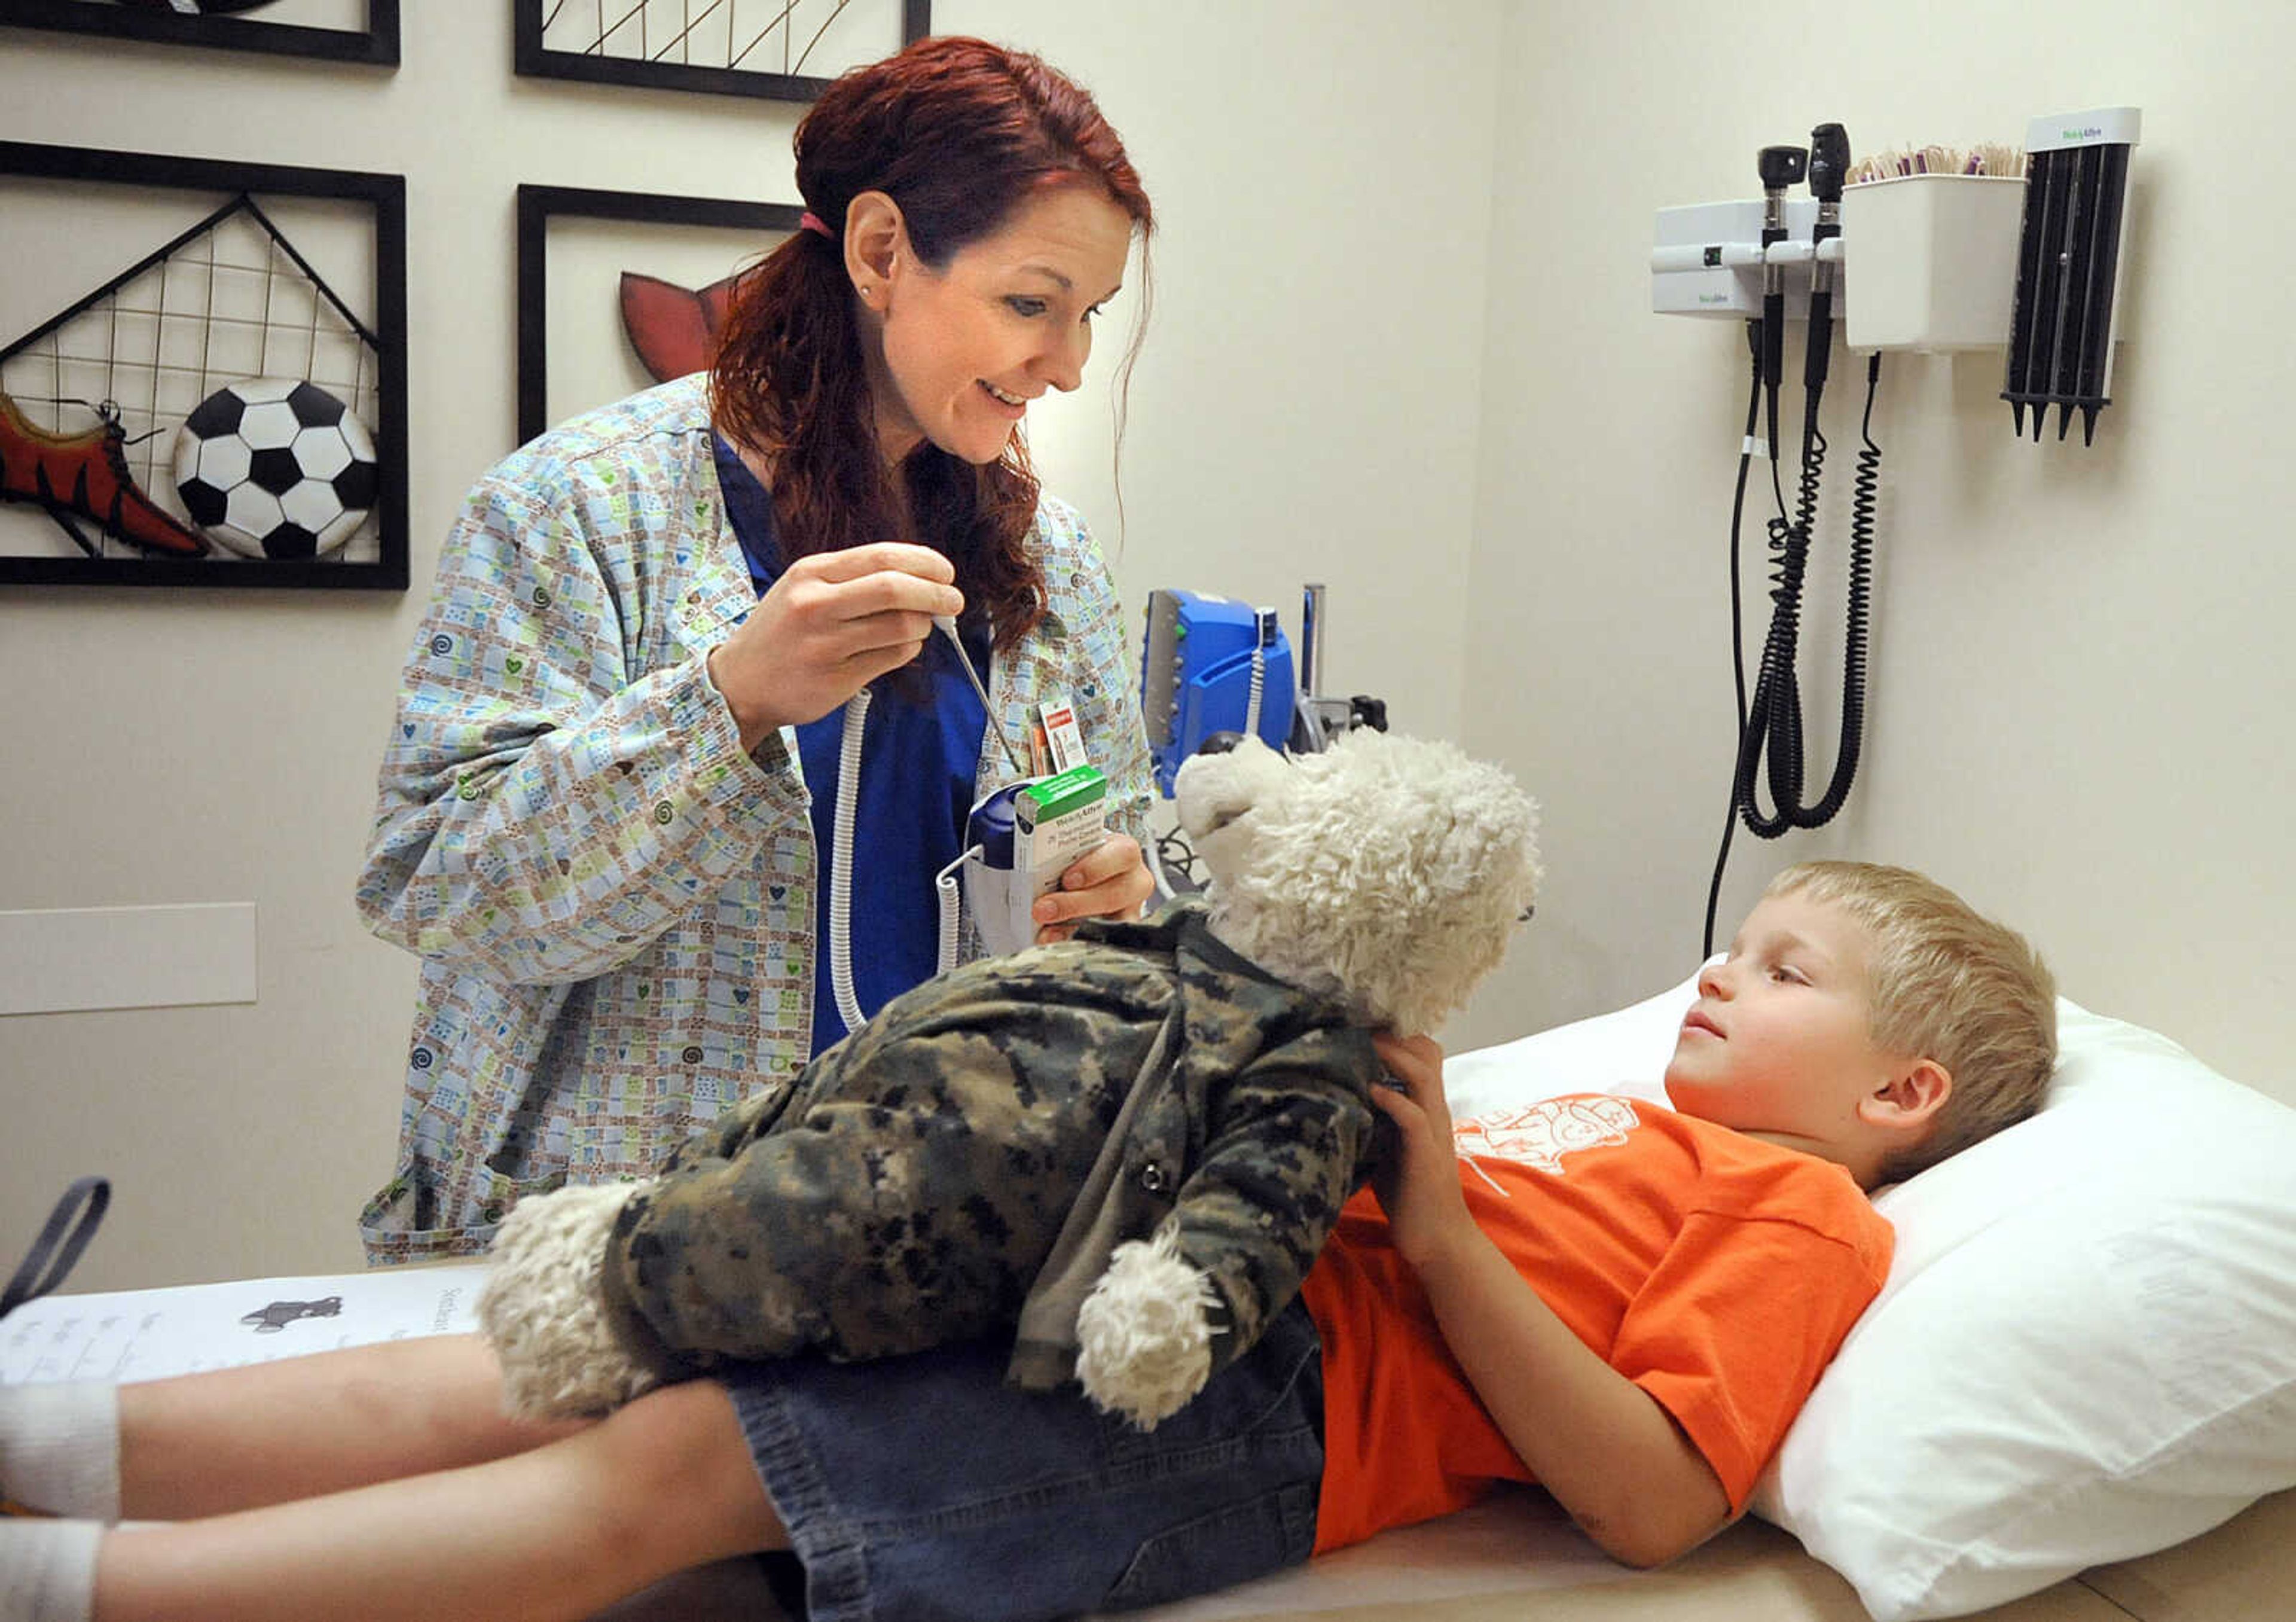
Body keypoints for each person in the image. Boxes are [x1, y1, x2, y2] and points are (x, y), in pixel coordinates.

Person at [0, 861, 2057, 1622]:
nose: (1717, 971)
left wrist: (1433, 1227)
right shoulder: (1610, 1108)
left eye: (1780, 970)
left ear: (1898, 1101)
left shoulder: (1791, 1213)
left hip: (1261, 1414)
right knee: (557, 1357)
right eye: (1735, 938)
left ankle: (69, 1583)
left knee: (663, 1472)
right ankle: (43, 1449)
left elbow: (1656, 1504)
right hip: (1150, 1275)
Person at [350, 35, 1160, 1267]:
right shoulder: (576, 511)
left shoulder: (1046, 559)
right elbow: (442, 889)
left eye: (1089, 316)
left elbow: (1125, 835)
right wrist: (727, 704)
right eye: (1031, 304)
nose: (1070, 364)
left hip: (928, 1248)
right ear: (883, 252)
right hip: (618, 1252)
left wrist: (1115, 891)